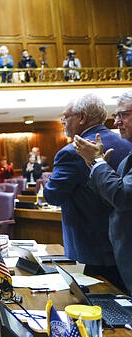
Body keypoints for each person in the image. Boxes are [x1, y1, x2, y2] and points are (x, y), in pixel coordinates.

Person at [43, 93, 132, 292]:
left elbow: (52, 195)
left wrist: (97, 163)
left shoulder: (72, 151)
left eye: (66, 117)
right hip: (122, 247)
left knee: (103, 310)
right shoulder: (126, 144)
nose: (63, 122)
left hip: (93, 248)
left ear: (82, 117)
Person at [73, 91, 132, 294]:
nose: (116, 122)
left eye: (122, 115)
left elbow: (123, 197)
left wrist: (98, 163)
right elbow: (112, 198)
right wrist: (96, 166)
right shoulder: (127, 158)